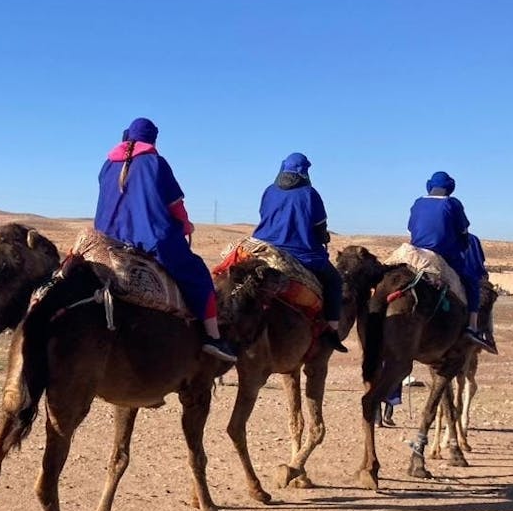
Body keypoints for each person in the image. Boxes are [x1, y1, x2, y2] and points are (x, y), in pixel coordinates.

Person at [93, 117, 237, 361]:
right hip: (150, 239)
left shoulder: (107, 165)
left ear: (126, 136)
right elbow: (175, 205)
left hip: (106, 238)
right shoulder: (156, 163)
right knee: (198, 274)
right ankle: (213, 337)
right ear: (153, 139)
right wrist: (185, 225)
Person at [250, 152, 348, 353]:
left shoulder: (269, 191)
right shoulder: (310, 194)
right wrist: (323, 238)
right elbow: (320, 229)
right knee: (334, 282)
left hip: (264, 248)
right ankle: (332, 331)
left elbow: (263, 215)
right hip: (301, 253)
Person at [407, 172, 494, 351]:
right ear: (450, 187)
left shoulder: (418, 203)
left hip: (416, 253)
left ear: (429, 186)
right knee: (471, 282)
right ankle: (472, 326)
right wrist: (461, 246)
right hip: (443, 254)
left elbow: (410, 228)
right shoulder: (452, 204)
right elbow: (463, 231)